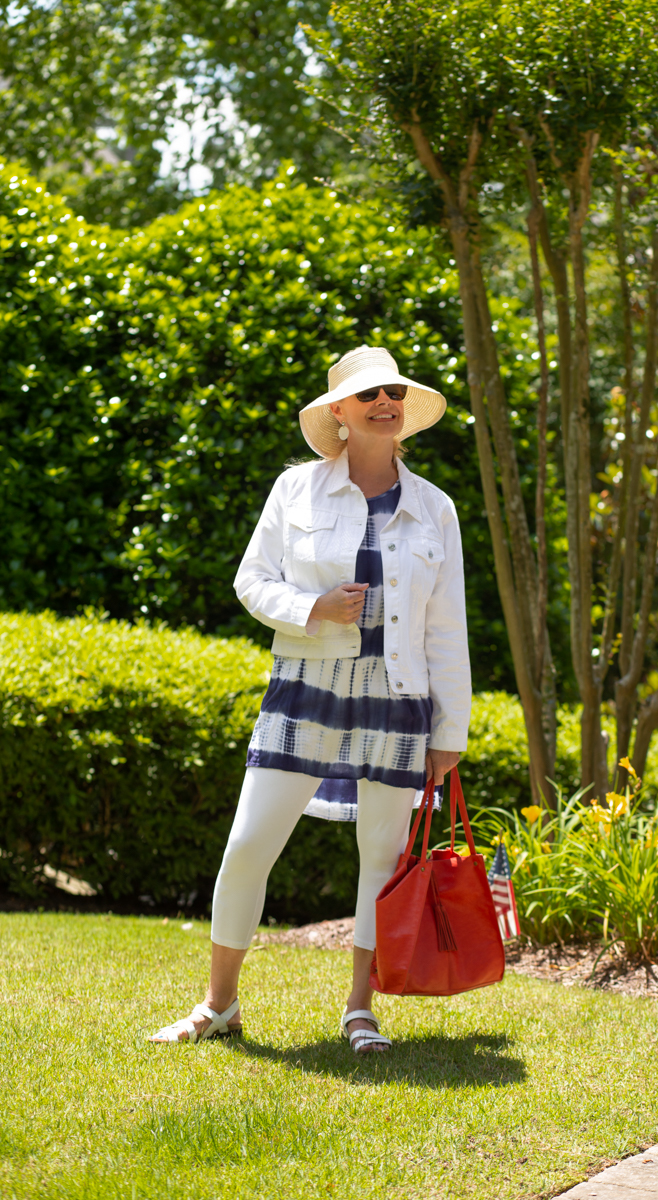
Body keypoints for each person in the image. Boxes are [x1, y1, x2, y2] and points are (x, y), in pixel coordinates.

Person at [150, 344, 471, 1053]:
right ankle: (220, 1004)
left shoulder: (435, 508)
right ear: (340, 414)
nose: (384, 404)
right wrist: (312, 607)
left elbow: (448, 624)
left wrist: (452, 731)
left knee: (380, 863)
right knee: (246, 847)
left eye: (393, 394)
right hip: (306, 688)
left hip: (399, 697)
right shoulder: (294, 491)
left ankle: (361, 1009)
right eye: (368, 397)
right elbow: (252, 581)